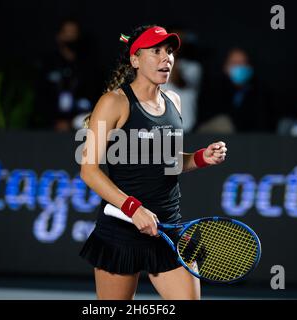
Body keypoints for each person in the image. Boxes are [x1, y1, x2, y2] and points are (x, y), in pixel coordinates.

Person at [79, 25, 227, 300]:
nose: (166, 57)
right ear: (135, 60)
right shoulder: (114, 103)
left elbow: (168, 163)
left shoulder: (174, 101)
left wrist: (200, 158)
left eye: (169, 51)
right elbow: (88, 171)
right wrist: (134, 209)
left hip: (168, 229)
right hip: (121, 232)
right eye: (156, 51)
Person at [198, 47, 273, 133]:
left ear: (249, 67)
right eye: (234, 63)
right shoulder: (212, 90)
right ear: (225, 67)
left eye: (242, 63)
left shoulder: (260, 92)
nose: (238, 67)